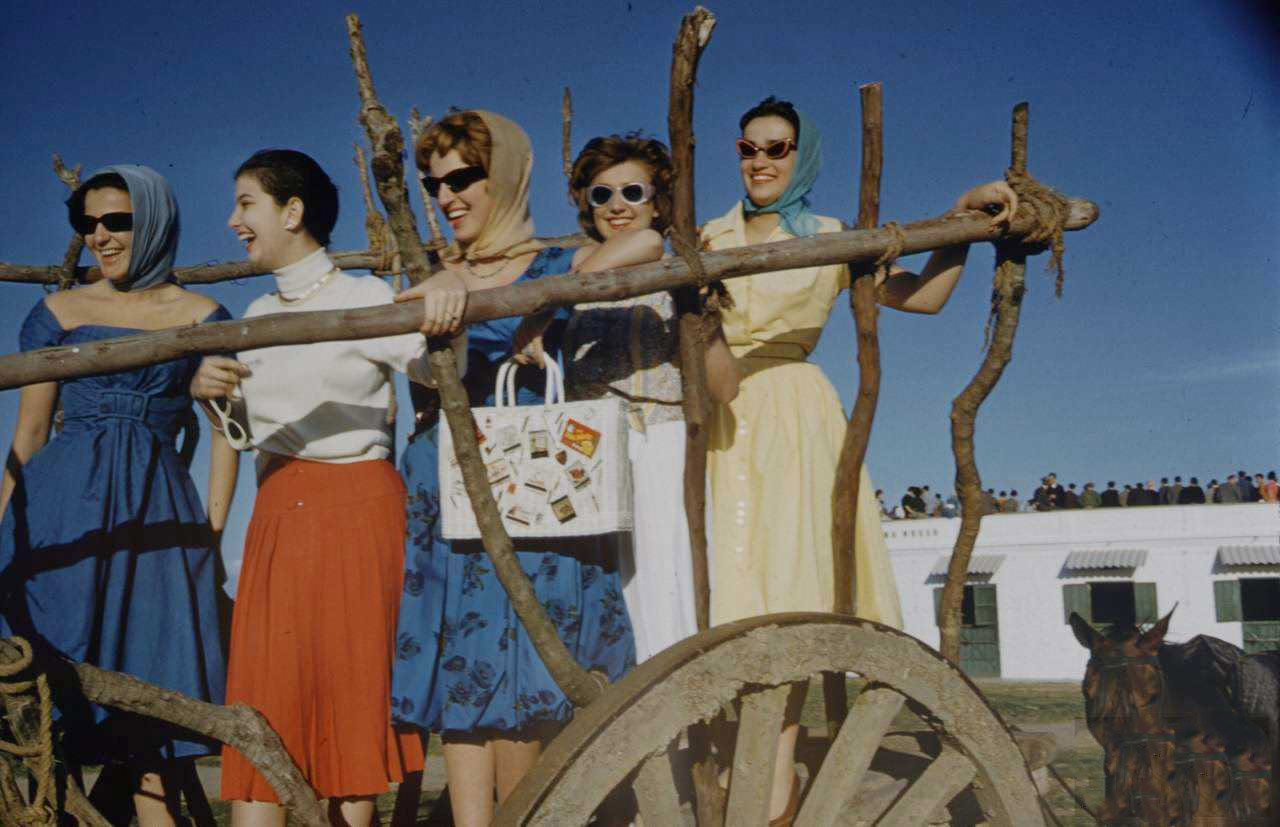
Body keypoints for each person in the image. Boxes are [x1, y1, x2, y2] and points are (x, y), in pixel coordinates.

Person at [701, 95, 1015, 823]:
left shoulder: (833, 236)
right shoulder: (705, 234)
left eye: (776, 148)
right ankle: (724, 782)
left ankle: (773, 796)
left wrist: (960, 225)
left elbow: (923, 297)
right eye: (748, 148)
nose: (760, 161)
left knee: (789, 590)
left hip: (795, 416)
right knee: (724, 592)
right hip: (715, 415)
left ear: (800, 155)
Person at [391, 111, 637, 827]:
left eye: (463, 176)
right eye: (435, 182)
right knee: (466, 687)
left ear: (503, 176)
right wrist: (445, 289)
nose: (447, 195)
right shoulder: (435, 278)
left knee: (526, 686)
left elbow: (647, 238)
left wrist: (541, 299)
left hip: (537, 490)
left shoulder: (555, 263)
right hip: (454, 495)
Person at [189, 150, 432, 827]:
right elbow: (245, 433)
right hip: (279, 515)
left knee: (352, 691)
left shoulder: (364, 297)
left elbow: (438, 368)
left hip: (358, 508)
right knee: (271, 692)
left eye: (246, 203)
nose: (233, 219)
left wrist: (441, 304)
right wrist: (212, 396)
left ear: (292, 212)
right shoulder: (257, 313)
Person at [0, 166, 234, 825]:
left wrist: (209, 536)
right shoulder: (56, 313)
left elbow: (227, 436)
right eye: (88, 223)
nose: (99, 235)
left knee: (153, 718)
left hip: (159, 523)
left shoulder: (202, 316)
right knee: (48, 702)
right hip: (60, 518)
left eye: (116, 220)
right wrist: (0, 535)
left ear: (155, 219)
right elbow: (30, 431)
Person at [539, 132, 738, 663]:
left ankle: (681, 734)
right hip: (590, 447)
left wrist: (704, 320)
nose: (618, 207)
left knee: (662, 581)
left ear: (657, 199)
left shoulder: (679, 271)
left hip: (661, 445)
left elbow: (726, 387)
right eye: (602, 195)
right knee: (606, 588)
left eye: (633, 192)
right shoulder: (571, 267)